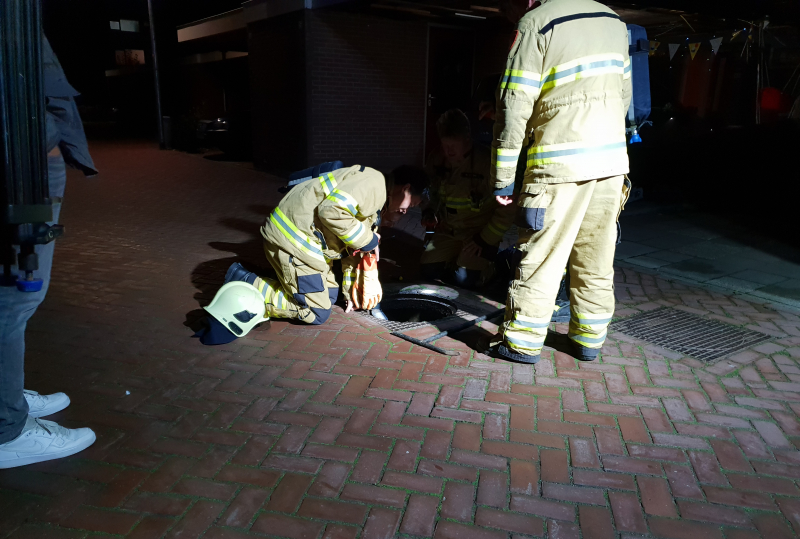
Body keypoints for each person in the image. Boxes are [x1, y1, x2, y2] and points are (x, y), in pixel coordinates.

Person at [486, 0, 632, 364]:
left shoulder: (537, 23)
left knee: (542, 257)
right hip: (611, 164)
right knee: (595, 257)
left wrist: (503, 180)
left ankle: (521, 342)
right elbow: (625, 96)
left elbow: (513, 106)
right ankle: (588, 339)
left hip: (557, 166)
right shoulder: (614, 21)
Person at [0, 36, 98, 468]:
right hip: (21, 166)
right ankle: (7, 428)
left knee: (15, 296)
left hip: (27, 159)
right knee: (15, 297)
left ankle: (6, 396)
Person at [200, 164, 429, 343]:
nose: (404, 211)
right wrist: (367, 239)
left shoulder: (376, 197)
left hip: (308, 248)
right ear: (405, 189)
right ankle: (245, 281)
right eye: (410, 205)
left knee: (331, 294)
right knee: (317, 311)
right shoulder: (373, 185)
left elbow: (352, 252)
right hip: (293, 242)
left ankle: (277, 281)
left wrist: (350, 294)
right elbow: (332, 211)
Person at [420, 109, 515, 288]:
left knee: (463, 280)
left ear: (467, 139)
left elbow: (508, 210)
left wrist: (485, 239)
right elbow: (428, 192)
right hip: (448, 232)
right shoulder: (436, 159)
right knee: (428, 271)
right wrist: (429, 211)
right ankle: (456, 261)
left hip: (478, 235)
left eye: (453, 145)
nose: (448, 151)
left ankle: (492, 267)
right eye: (445, 145)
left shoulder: (487, 163)